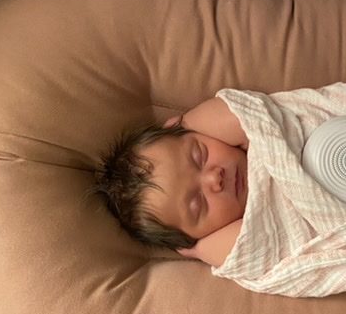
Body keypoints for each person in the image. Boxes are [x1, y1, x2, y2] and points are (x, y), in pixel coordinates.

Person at [93, 97, 248, 267]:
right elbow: (246, 248)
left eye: (199, 156)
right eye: (198, 203)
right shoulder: (250, 231)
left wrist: (188, 122)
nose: (215, 178)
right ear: (192, 239)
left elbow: (241, 117)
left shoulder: (256, 137)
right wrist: (200, 249)